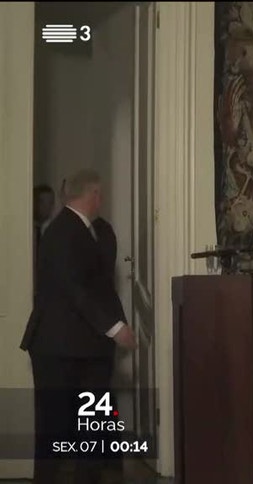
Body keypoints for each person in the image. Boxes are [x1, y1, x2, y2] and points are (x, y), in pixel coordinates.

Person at [21, 168, 137, 484]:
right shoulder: (63, 232)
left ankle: (89, 476)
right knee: (55, 425)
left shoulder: (92, 231)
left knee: (92, 422)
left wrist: (117, 324)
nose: (102, 199)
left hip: (84, 345)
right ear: (92, 195)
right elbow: (76, 289)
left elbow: (100, 286)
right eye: (100, 193)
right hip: (59, 346)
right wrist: (115, 328)